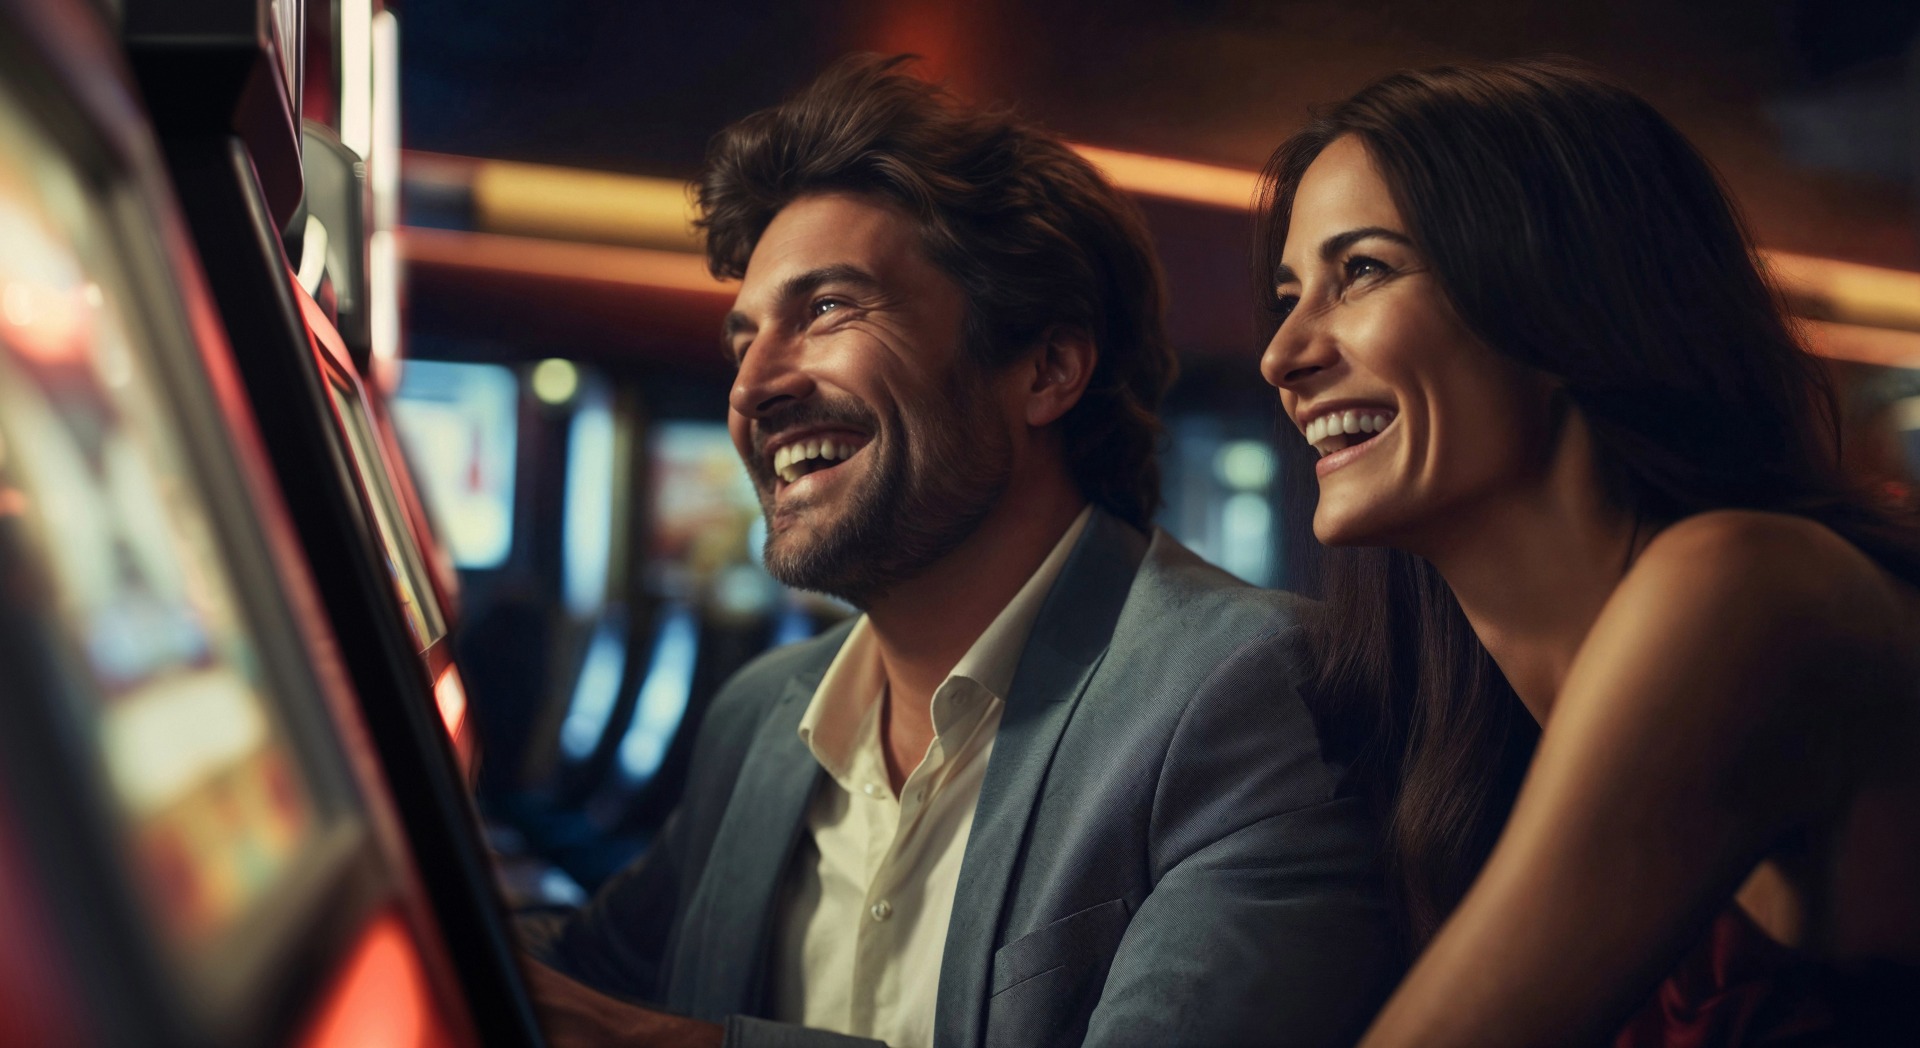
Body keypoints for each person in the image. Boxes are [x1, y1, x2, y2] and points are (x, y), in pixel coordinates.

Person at [522, 55, 1396, 1048]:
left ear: (1046, 370)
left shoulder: (1254, 689)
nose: (754, 385)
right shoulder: (761, 716)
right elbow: (589, 964)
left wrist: (649, 1041)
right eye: (741, 340)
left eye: (827, 309)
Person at [1255, 58, 1920, 1047]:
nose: (1283, 355)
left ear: (1558, 300)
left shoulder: (1747, 584)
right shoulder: (1463, 732)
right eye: (1289, 291)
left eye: (1362, 271)